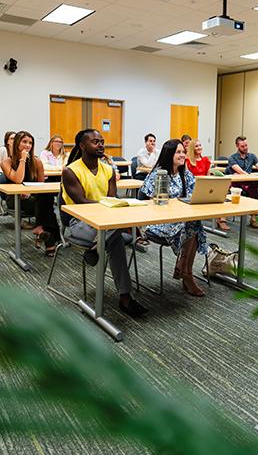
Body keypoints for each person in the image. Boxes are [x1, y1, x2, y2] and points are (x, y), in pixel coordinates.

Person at [62, 129, 147, 318]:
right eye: (95, 142)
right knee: (117, 233)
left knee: (114, 235)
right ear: (82, 146)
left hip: (107, 223)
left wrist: (118, 216)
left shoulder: (108, 169)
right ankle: (125, 298)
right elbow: (82, 203)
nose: (100, 144)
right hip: (80, 222)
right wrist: (124, 222)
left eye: (102, 141)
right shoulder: (71, 171)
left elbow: (113, 200)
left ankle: (96, 250)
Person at [141, 139, 207, 296]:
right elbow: (152, 203)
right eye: (178, 152)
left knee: (193, 224)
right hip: (159, 222)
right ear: (168, 154)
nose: (182, 155)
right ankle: (186, 274)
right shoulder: (158, 174)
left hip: (183, 219)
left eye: (183, 152)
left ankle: (185, 270)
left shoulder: (186, 174)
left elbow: (194, 194)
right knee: (193, 225)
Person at [1, 130, 60, 255]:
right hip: (14, 198)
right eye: (24, 142)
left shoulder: (37, 162)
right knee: (47, 206)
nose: (28, 145)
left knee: (46, 196)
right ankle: (47, 234)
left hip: (34, 197)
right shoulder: (6, 162)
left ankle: (41, 229)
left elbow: (42, 186)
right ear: (17, 143)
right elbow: (17, 180)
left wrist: (31, 192)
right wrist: (22, 160)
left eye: (30, 143)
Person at [226, 136, 258, 229]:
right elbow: (241, 172)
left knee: (253, 189)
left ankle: (253, 219)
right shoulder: (232, 158)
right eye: (242, 146)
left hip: (249, 182)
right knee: (250, 184)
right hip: (236, 184)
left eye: (246, 145)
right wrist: (250, 176)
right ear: (237, 146)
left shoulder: (252, 156)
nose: (245, 148)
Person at [186, 139, 230, 231]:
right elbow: (187, 178)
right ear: (192, 148)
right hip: (194, 186)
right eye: (196, 146)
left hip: (205, 184)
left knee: (220, 193)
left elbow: (208, 175)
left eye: (200, 145)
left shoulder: (205, 160)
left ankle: (221, 219)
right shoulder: (188, 161)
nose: (199, 147)